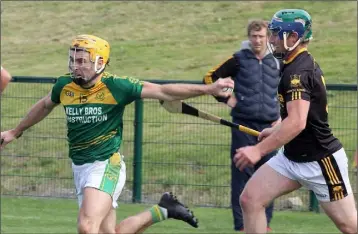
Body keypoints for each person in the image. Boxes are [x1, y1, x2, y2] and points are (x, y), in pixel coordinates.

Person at [0, 34, 235, 234]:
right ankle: (164, 209)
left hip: (105, 165)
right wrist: (15, 131)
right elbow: (43, 106)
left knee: (86, 226)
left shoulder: (118, 86)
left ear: (100, 62)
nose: (75, 65)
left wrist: (208, 89)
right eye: (72, 59)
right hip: (80, 167)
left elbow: (164, 91)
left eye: (82, 60)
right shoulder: (64, 86)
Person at [233, 9, 357, 234]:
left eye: (275, 34)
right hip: (291, 159)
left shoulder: (298, 72)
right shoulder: (292, 63)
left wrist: (258, 150)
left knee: (350, 226)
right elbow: (298, 116)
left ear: (293, 38)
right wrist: (276, 129)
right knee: (250, 200)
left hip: (320, 162)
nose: (270, 39)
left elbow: (298, 122)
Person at [203, 20, 281, 231]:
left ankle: (264, 225)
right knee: (242, 177)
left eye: (261, 36)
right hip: (242, 126)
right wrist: (228, 99)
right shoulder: (238, 59)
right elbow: (209, 78)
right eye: (253, 36)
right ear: (248, 37)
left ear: (267, 37)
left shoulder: (277, 60)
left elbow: (287, 87)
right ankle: (242, 227)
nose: (257, 40)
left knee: (269, 177)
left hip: (270, 129)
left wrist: (281, 115)